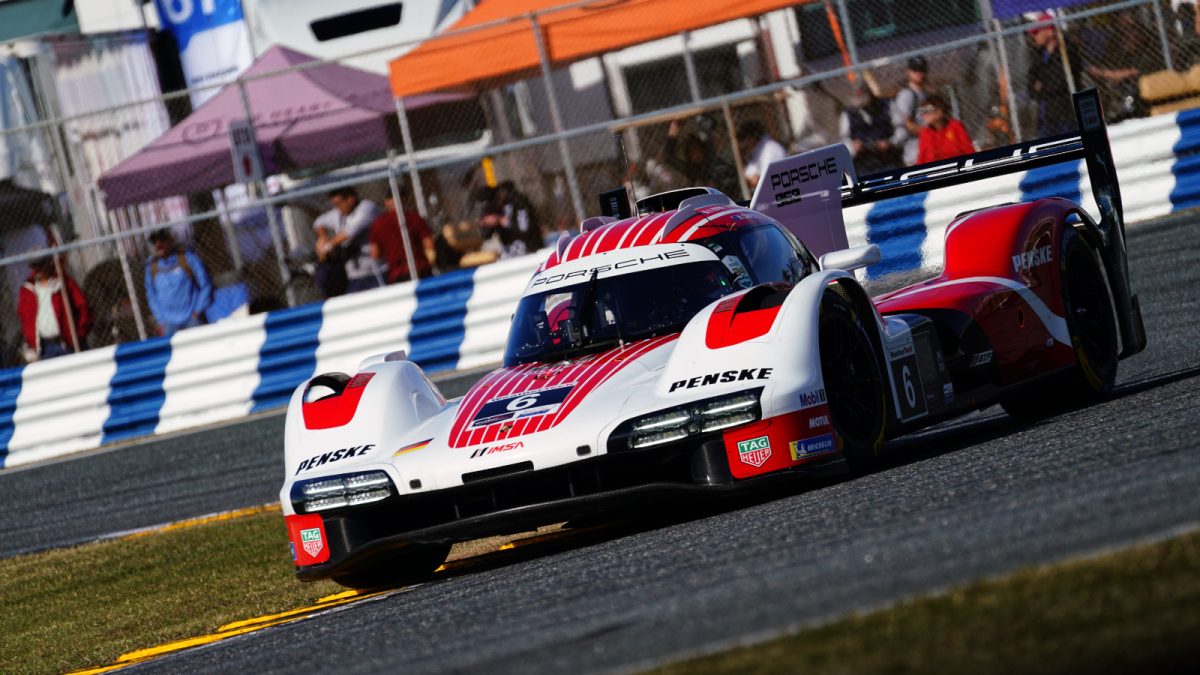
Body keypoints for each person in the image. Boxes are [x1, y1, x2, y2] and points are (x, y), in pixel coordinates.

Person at [17, 256, 91, 361]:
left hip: (67, 343)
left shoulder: (62, 283)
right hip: (45, 347)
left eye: (41, 264)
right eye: (34, 266)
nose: (38, 269)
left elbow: (82, 306)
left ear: (48, 263)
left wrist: (80, 332)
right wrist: (31, 340)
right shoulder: (28, 289)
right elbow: (24, 316)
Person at [314, 187, 383, 296]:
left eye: (339, 204)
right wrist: (323, 238)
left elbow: (349, 232)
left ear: (350, 200)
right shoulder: (339, 213)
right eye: (335, 205)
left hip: (376, 271)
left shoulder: (367, 208)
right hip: (355, 276)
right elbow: (319, 222)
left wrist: (327, 247)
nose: (337, 208)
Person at [144, 229, 212, 336]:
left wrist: (197, 310)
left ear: (170, 240)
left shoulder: (187, 257)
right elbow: (151, 295)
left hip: (192, 319)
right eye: (154, 242)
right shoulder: (151, 266)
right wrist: (161, 319)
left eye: (162, 240)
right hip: (168, 324)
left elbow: (205, 284)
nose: (158, 245)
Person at [1027, 13, 1082, 137]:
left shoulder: (1067, 50)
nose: (1034, 37)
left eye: (1037, 33)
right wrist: (1042, 85)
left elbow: (1061, 81)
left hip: (1065, 111)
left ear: (1049, 32)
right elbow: (1031, 83)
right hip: (1045, 113)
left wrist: (1042, 85)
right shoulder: (1038, 54)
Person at [368, 194, 434, 284]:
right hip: (420, 267)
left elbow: (375, 254)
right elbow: (429, 244)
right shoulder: (414, 217)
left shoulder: (378, 224)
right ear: (403, 200)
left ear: (386, 202)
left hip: (396, 273)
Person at [839, 84, 901, 175]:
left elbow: (900, 129)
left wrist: (891, 142)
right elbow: (843, 141)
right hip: (864, 166)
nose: (860, 105)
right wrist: (852, 147)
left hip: (889, 162)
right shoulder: (847, 115)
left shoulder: (887, 105)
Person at [891, 55, 931, 166]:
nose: (919, 73)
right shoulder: (907, 94)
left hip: (926, 146)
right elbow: (907, 124)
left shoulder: (922, 92)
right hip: (914, 151)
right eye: (915, 70)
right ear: (908, 72)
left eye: (921, 69)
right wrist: (930, 133)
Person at [916, 96, 976, 163]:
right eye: (922, 110)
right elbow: (922, 159)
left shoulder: (955, 127)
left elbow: (969, 150)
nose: (924, 114)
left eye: (928, 110)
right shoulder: (925, 133)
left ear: (940, 111)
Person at [736, 119, 787, 190]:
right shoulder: (756, 150)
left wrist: (753, 179)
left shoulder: (769, 148)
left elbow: (763, 178)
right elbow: (749, 175)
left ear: (750, 137)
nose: (743, 144)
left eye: (744, 139)